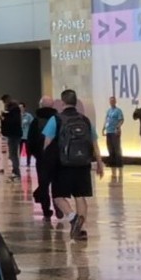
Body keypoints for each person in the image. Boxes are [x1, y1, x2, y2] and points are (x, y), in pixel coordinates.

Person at [43, 90, 103, 239]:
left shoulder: (55, 120)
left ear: (62, 103)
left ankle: (72, 218)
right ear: (76, 102)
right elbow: (94, 142)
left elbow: (47, 144)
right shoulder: (85, 120)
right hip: (83, 164)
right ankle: (79, 231)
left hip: (63, 165)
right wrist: (100, 162)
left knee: (57, 196)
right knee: (80, 196)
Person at [28, 97, 59, 222]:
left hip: (42, 158)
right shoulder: (58, 119)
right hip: (57, 158)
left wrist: (35, 154)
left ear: (40, 105)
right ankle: (59, 206)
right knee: (57, 183)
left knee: (43, 184)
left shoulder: (36, 121)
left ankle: (46, 210)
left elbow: (31, 140)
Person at [0, 95, 23, 180]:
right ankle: (15, 171)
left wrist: (3, 118)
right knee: (13, 154)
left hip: (14, 134)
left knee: (13, 154)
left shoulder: (14, 109)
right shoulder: (13, 109)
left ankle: (16, 172)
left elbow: (13, 121)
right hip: (13, 134)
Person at [103, 96, 125, 170]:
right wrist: (104, 128)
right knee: (110, 147)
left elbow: (121, 120)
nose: (112, 102)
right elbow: (106, 120)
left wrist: (117, 127)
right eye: (110, 101)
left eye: (113, 101)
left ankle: (119, 163)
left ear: (115, 102)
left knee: (116, 147)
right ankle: (111, 162)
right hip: (108, 131)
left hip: (115, 131)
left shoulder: (118, 110)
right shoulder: (109, 110)